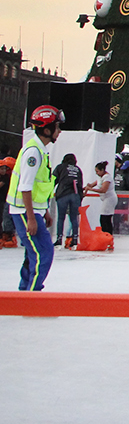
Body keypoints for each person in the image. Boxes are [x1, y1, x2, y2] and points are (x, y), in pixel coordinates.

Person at [8, 105, 63, 290]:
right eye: (57, 127)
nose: (59, 131)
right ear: (47, 130)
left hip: (32, 211)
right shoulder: (33, 152)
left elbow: (39, 185)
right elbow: (25, 186)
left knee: (32, 254)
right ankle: (33, 295)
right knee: (43, 253)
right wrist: (31, 218)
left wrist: (43, 211)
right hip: (24, 211)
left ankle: (25, 292)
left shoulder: (40, 150)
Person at [52, 152, 84, 249]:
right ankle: (74, 240)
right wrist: (80, 198)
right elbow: (80, 185)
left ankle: (59, 239)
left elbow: (53, 180)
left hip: (63, 194)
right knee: (74, 218)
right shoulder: (78, 169)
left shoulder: (60, 167)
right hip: (75, 195)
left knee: (61, 218)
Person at [84, 160, 118, 242]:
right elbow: (91, 185)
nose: (96, 173)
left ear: (102, 170)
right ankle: (106, 236)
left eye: (97, 171)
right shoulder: (100, 177)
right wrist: (85, 189)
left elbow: (103, 190)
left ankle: (108, 237)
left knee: (105, 218)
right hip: (105, 199)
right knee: (104, 218)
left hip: (110, 199)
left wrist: (91, 189)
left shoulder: (107, 177)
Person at [0, 156, 14, 248]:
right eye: (2, 168)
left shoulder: (5, 178)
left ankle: (9, 236)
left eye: (5, 168)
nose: (4, 170)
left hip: (4, 201)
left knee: (4, 219)